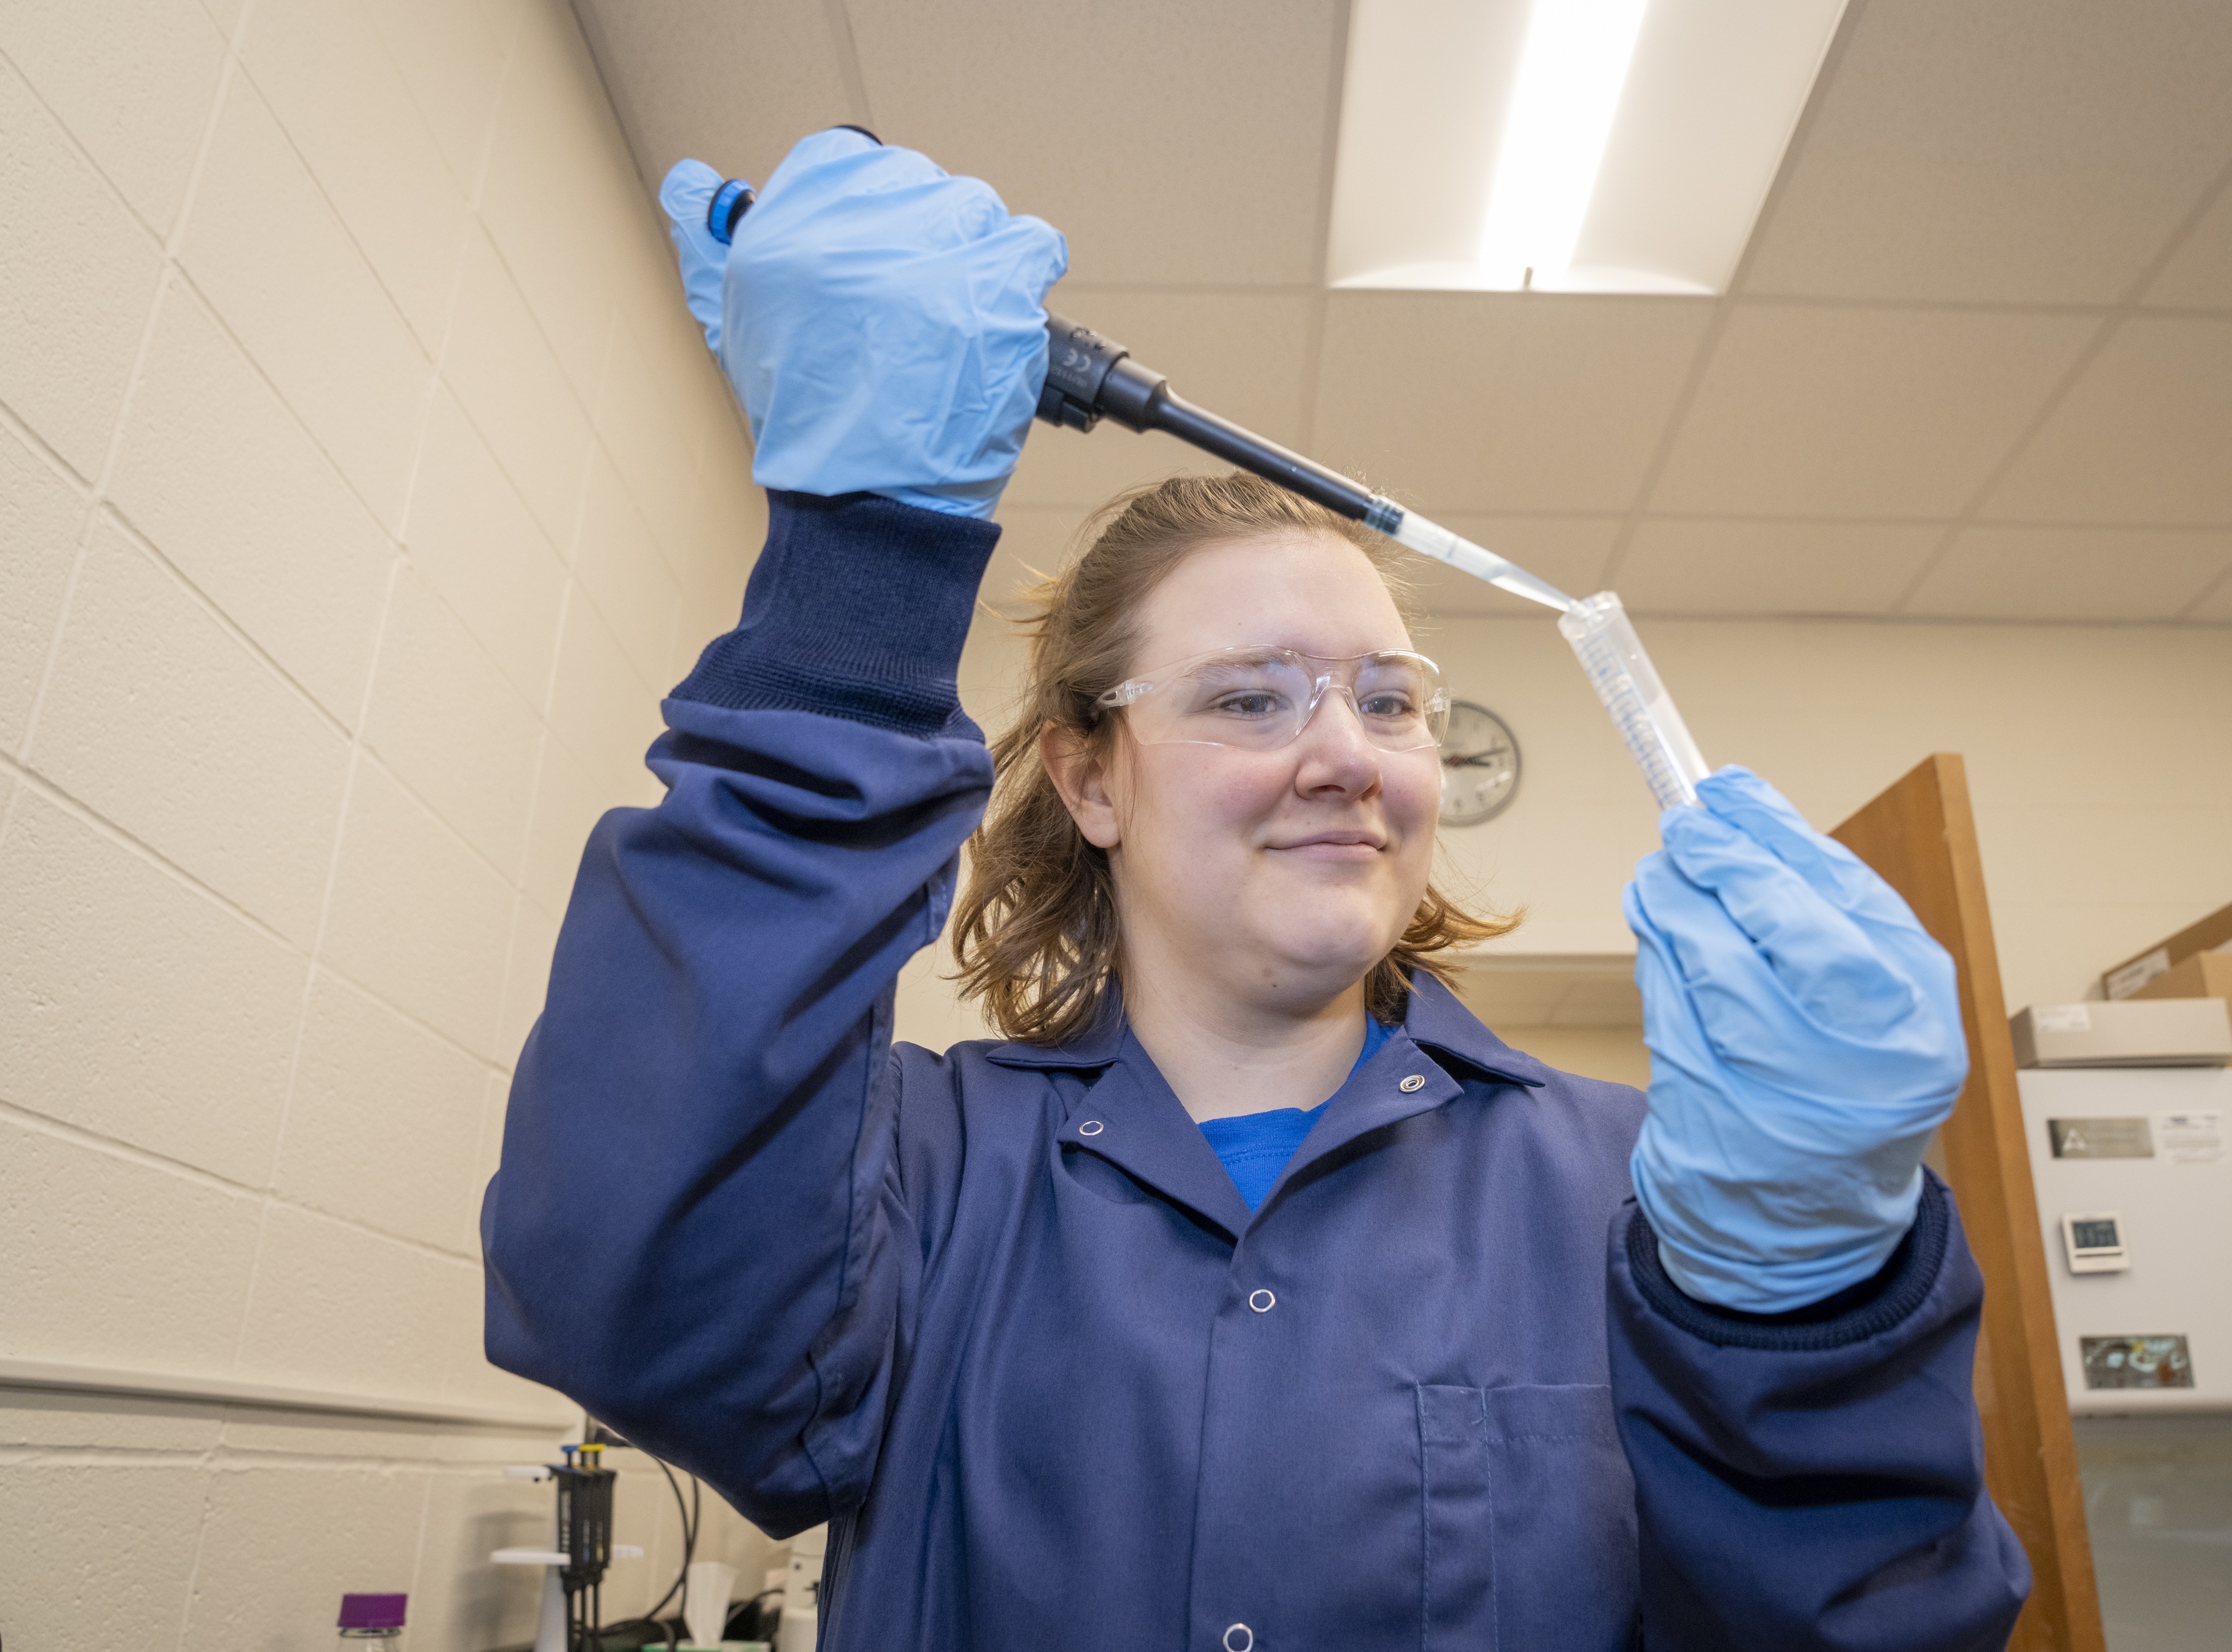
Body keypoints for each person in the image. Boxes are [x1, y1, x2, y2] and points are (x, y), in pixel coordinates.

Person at [482, 129, 2030, 1651]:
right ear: (1092, 776)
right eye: (1251, 698)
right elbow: (635, 1296)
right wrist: (857, 579)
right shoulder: (927, 1177)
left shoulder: (1641, 1195)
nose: (1347, 754)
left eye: (1389, 695)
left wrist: (1805, 1314)